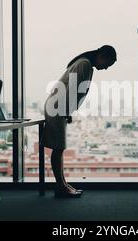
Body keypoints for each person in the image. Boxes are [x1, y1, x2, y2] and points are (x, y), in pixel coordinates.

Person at [41, 45, 117, 198]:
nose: (106, 68)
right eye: (108, 64)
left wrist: (68, 112)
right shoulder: (85, 64)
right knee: (58, 147)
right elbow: (71, 91)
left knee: (59, 148)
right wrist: (66, 112)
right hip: (57, 108)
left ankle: (62, 184)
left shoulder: (85, 63)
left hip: (58, 107)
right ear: (102, 56)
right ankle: (61, 186)